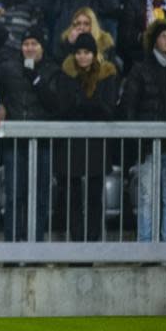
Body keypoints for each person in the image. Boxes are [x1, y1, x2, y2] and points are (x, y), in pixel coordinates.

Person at [0, 27, 60, 241]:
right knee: (14, 194)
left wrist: (36, 79)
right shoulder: (9, 69)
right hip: (15, 140)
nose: (29, 48)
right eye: (26, 44)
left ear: (42, 47)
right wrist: (1, 105)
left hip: (41, 141)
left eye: (34, 44)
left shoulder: (52, 70)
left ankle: (36, 243)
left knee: (40, 195)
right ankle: (12, 245)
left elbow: (54, 103)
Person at [55, 32, 118, 241]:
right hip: (71, 145)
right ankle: (77, 244)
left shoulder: (106, 75)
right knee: (72, 196)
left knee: (93, 196)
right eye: (79, 52)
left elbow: (108, 110)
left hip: (96, 145)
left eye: (87, 52)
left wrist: (82, 104)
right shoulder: (66, 75)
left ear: (94, 54)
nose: (82, 57)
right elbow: (63, 109)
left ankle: (91, 243)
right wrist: (90, 105)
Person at [120, 19, 166, 241]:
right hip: (148, 146)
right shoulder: (140, 70)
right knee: (147, 198)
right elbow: (129, 107)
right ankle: (146, 247)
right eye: (164, 35)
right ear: (153, 41)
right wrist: (137, 142)